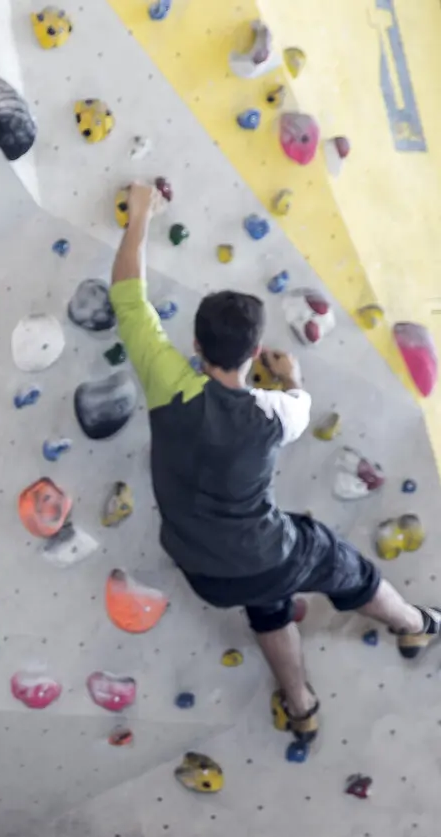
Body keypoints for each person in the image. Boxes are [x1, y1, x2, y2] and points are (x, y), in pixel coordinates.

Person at [108, 180, 438, 751]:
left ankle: (301, 706)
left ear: (195, 343)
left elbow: (128, 296)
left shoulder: (167, 382)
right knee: (351, 573)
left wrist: (140, 215)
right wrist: (292, 378)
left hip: (199, 565)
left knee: (267, 602)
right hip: (265, 552)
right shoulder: (276, 411)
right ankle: (416, 626)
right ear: (255, 353)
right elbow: (300, 406)